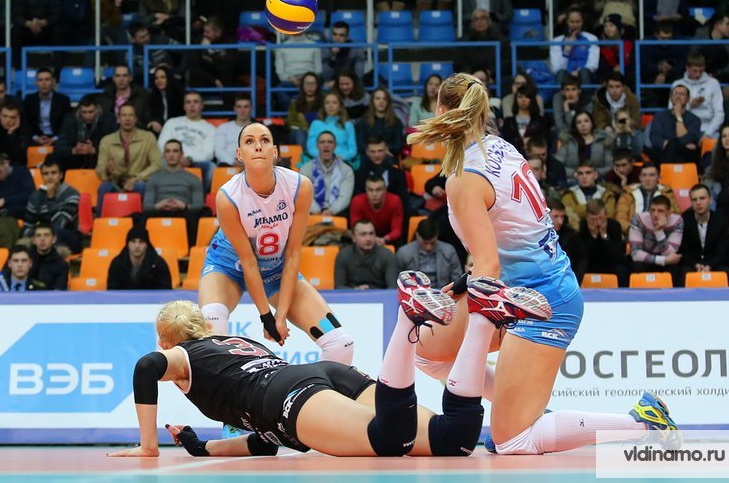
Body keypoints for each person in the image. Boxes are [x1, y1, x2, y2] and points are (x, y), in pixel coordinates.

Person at [405, 72, 677, 455]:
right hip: (517, 290)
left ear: (442, 110)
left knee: (511, 441)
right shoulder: (501, 147)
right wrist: (466, 283)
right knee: (428, 350)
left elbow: (489, 266)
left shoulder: (463, 179)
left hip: (544, 300)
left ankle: (642, 422)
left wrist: (475, 291)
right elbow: (499, 242)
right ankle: (526, 408)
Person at [107, 292, 514, 458]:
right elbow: (265, 443)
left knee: (391, 439)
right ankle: (481, 321)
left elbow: (145, 367)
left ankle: (406, 322)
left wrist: (149, 446)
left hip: (286, 395)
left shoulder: (183, 357)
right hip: (318, 376)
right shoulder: (233, 342)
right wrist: (201, 447)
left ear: (166, 341)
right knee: (454, 440)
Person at [199, 123, 355, 366]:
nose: (257, 146)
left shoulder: (299, 187)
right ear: (239, 154)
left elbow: (293, 254)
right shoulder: (227, 196)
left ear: (275, 151)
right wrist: (266, 318)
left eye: (264, 140)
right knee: (213, 328)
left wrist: (280, 316)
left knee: (340, 343)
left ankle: (322, 391)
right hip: (227, 266)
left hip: (276, 270)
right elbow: (248, 262)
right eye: (249, 141)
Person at [95, 104, 162, 212]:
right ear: (118, 119)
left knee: (141, 186)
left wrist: (136, 178)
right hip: (116, 184)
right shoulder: (106, 141)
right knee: (105, 186)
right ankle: (99, 221)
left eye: (131, 115)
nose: (127, 119)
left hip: (139, 182)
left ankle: (142, 220)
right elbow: (99, 168)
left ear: (136, 119)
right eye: (124, 115)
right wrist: (106, 170)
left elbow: (157, 164)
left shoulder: (148, 137)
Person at [143, 139, 205, 246]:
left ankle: (190, 252)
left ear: (181, 154)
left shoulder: (193, 179)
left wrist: (184, 206)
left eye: (175, 151)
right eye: (168, 151)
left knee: (195, 218)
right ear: (164, 155)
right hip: (160, 211)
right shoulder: (154, 178)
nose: (171, 155)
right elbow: (146, 206)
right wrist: (159, 205)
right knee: (142, 219)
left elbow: (199, 205)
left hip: (184, 212)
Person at [156, 91, 216, 191]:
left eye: (195, 102)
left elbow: (208, 154)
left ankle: (201, 198)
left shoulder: (210, 128)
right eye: (188, 102)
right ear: (184, 106)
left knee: (211, 166)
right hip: (171, 159)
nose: (192, 105)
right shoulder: (172, 122)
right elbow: (161, 145)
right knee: (158, 163)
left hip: (195, 162)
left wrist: (189, 159)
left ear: (202, 105)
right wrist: (178, 157)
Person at [23, 155, 82, 253]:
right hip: (42, 236)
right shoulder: (36, 196)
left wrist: (50, 198)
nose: (50, 177)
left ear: (61, 175)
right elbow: (27, 226)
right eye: (46, 174)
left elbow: (59, 223)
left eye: (53, 173)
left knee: (55, 231)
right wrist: (37, 235)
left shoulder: (72, 194)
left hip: (69, 236)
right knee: (23, 243)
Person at [11, 0, 63, 70]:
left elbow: (56, 14)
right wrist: (29, 23)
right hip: (27, 29)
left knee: (58, 31)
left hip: (46, 28)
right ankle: (18, 69)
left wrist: (42, 23)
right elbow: (17, 15)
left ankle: (58, 71)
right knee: (15, 31)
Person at [628, 195, 684, 285]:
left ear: (669, 212)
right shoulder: (639, 218)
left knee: (675, 268)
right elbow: (635, 253)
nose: (655, 215)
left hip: (665, 260)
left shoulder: (677, 221)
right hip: (644, 261)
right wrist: (663, 260)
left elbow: (670, 254)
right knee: (636, 266)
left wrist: (659, 231)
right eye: (652, 210)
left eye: (660, 211)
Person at [572, 198, 628, 287]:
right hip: (590, 264)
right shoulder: (583, 226)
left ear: (606, 215)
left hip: (609, 263)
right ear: (587, 217)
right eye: (593, 219)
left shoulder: (614, 225)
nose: (598, 222)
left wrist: (604, 235)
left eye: (600, 218)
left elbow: (618, 257)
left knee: (622, 270)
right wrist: (593, 236)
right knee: (578, 268)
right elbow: (583, 256)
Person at [679, 184, 729, 278]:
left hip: (714, 263)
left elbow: (722, 251)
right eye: (694, 200)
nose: (698, 203)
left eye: (702, 198)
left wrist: (710, 265)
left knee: (725, 272)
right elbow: (683, 250)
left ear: (710, 200)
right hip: (692, 264)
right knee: (682, 272)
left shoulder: (721, 221)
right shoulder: (685, 220)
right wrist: (695, 265)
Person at [0, 154, 35, 248]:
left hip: (25, 212)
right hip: (4, 217)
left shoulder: (22, 172)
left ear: (6, 163)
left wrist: (5, 200)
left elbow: (30, 194)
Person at [299, 131, 354, 217]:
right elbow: (304, 196)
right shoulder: (305, 169)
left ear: (335, 145)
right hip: (312, 214)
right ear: (317, 146)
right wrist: (318, 211)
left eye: (330, 142)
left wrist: (331, 211)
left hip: (338, 213)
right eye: (322, 142)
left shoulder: (347, 170)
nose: (326, 145)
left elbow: (344, 198)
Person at [670, 53, 723, 139]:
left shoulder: (713, 83)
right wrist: (690, 105)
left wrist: (708, 134)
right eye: (695, 71)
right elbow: (671, 111)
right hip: (684, 128)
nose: (698, 74)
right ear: (687, 68)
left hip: (708, 129)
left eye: (701, 71)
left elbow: (719, 113)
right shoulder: (677, 84)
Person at [56, 94, 117, 170]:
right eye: (84, 112)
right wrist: (74, 150)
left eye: (91, 112)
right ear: (79, 110)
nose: (87, 116)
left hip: (100, 163)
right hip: (75, 163)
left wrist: (94, 150)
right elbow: (59, 147)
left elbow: (115, 147)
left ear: (97, 109)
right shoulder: (70, 120)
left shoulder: (109, 121)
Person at [616, 161, 679, 234]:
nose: (647, 179)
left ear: (659, 178)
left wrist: (660, 228)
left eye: (652, 175)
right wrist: (634, 230)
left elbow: (675, 216)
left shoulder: (667, 193)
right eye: (644, 175)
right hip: (633, 233)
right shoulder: (628, 193)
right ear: (639, 178)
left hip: (659, 233)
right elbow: (620, 218)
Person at [396, 219, 462, 288]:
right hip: (414, 292)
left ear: (437, 235)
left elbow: (457, 280)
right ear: (417, 235)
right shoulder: (404, 253)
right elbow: (398, 282)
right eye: (425, 243)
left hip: (443, 292)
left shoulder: (449, 251)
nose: (429, 247)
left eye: (432, 243)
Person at [334, 219, 399, 290]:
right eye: (363, 234)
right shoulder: (343, 255)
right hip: (351, 295)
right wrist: (355, 290)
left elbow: (393, 288)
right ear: (354, 238)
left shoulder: (387, 256)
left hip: (380, 295)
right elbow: (339, 287)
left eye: (371, 234)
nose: (368, 238)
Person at [648, 85, 701, 165]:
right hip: (663, 154)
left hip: (686, 156)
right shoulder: (659, 116)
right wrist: (672, 145)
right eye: (675, 93)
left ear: (688, 99)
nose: (678, 96)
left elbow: (686, 140)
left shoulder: (695, 120)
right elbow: (655, 139)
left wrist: (678, 116)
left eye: (682, 94)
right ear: (671, 98)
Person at [107, 226, 172, 290]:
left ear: (147, 245)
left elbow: (165, 290)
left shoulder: (158, 264)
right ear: (127, 244)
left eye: (141, 242)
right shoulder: (117, 263)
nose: (137, 246)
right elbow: (112, 290)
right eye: (133, 241)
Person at [560, 160, 619, 230]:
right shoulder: (568, 194)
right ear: (577, 176)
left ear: (595, 175)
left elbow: (610, 215)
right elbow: (570, 217)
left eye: (588, 173)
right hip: (578, 232)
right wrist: (598, 210)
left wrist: (580, 209)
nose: (584, 177)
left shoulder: (607, 194)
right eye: (580, 173)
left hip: (604, 230)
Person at [556, 111, 614, 180]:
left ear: (592, 124)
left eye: (586, 121)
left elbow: (610, 166)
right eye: (579, 122)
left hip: (598, 179)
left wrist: (594, 173)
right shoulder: (568, 141)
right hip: (573, 180)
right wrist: (574, 174)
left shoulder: (603, 140)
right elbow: (557, 165)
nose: (583, 125)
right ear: (575, 126)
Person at [354, 137, 409, 207]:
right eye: (373, 151)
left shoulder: (399, 174)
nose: (377, 155)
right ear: (367, 152)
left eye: (380, 151)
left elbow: (404, 202)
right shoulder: (358, 175)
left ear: (386, 150)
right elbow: (358, 202)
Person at [550, 9, 599, 88]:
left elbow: (593, 64)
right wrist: (567, 50)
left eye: (578, 22)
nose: (575, 25)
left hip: (585, 75)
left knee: (584, 72)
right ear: (567, 22)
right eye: (572, 22)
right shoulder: (557, 41)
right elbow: (556, 68)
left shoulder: (592, 38)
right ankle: (558, 96)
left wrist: (579, 71)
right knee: (561, 73)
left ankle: (587, 96)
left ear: (582, 22)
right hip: (567, 75)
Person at [350, 175, 404, 247]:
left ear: (385, 190)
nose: (374, 194)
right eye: (370, 190)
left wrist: (384, 239)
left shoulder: (395, 201)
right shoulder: (357, 201)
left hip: (387, 237)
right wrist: (372, 239)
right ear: (366, 190)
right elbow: (356, 228)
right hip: (365, 235)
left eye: (378, 190)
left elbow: (397, 230)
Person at [305, 92, 357, 165]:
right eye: (327, 103)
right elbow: (311, 148)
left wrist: (340, 158)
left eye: (334, 103)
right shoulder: (315, 124)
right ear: (324, 107)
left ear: (340, 107)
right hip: (319, 162)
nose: (330, 105)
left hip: (342, 162)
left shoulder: (348, 125)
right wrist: (325, 157)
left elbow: (352, 150)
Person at [23, 68, 72, 146]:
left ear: (53, 81)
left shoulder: (63, 100)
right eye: (40, 80)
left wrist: (54, 139)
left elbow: (67, 124)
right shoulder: (29, 99)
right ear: (36, 83)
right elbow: (26, 123)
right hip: (36, 137)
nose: (44, 83)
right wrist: (36, 138)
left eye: (47, 79)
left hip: (57, 137)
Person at [499, 83, 551, 156]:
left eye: (527, 97)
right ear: (516, 99)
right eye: (520, 97)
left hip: (535, 157)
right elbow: (505, 143)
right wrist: (522, 141)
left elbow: (545, 141)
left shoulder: (541, 120)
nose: (523, 100)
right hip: (513, 157)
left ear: (532, 99)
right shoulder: (508, 121)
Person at [98, 65, 152, 131]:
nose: (121, 79)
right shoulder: (105, 96)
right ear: (113, 78)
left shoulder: (142, 96)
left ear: (130, 78)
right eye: (118, 76)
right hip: (111, 134)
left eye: (124, 75)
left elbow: (148, 118)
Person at [355, 88, 405, 158]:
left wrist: (382, 151)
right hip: (368, 157)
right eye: (378, 98)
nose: (381, 101)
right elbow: (361, 145)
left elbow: (398, 146)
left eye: (384, 99)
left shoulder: (396, 122)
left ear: (388, 102)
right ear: (372, 101)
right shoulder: (363, 122)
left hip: (389, 156)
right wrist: (375, 151)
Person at [0, 99, 30, 166]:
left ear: (18, 118)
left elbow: (22, 159)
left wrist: (11, 133)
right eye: (5, 116)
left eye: (12, 117)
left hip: (14, 167)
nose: (8, 120)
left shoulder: (23, 129)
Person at [321, 21, 365, 88]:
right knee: (324, 86)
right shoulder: (326, 49)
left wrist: (339, 83)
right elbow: (326, 77)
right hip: (332, 84)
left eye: (341, 35)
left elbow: (359, 75)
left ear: (347, 37)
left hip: (351, 84)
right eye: (334, 34)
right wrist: (333, 56)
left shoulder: (357, 48)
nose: (337, 38)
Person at [28, 221, 69, 290]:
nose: (42, 239)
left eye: (46, 235)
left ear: (54, 239)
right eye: (38, 235)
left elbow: (59, 291)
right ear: (33, 240)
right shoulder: (24, 260)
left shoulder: (61, 265)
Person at [215, 96, 254, 167]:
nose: (242, 110)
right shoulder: (223, 128)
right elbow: (219, 151)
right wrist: (233, 162)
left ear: (251, 108)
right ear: (235, 109)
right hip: (228, 165)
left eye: (246, 107)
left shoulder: (258, 129)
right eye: (239, 107)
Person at [286, 72, 323, 147]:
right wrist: (305, 127)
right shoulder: (295, 103)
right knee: (300, 133)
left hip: (318, 132)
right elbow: (290, 123)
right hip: (299, 133)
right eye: (307, 84)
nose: (310, 86)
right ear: (302, 85)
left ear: (317, 85)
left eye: (312, 83)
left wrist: (312, 129)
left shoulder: (323, 102)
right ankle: (303, 154)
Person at [147, 66, 185, 136]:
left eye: (163, 77)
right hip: (159, 132)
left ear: (169, 78)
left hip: (177, 131)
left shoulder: (179, 96)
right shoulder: (152, 97)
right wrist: (153, 122)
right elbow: (150, 116)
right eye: (156, 78)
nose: (159, 80)